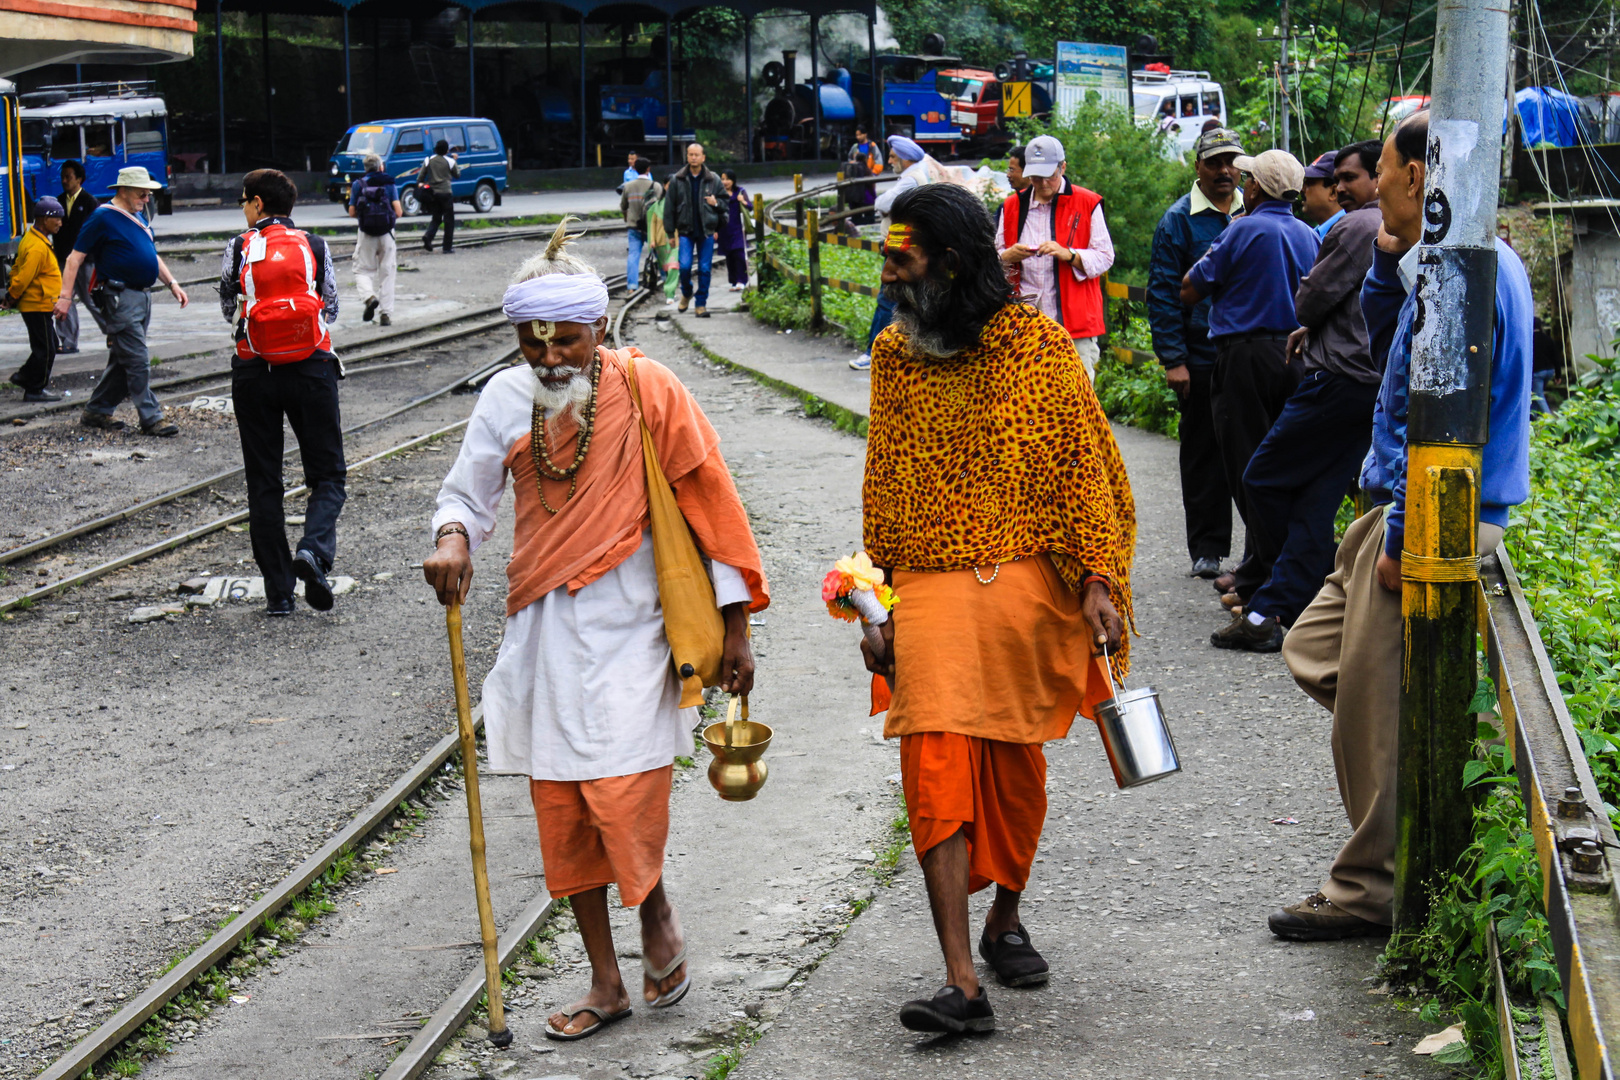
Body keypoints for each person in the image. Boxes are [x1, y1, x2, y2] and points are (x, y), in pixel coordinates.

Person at [421, 222, 769, 1040]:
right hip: (542, 634)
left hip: (640, 633)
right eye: (532, 344)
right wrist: (451, 539)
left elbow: (709, 508)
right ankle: (607, 981)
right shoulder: (504, 400)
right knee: (564, 811)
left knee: (622, 795)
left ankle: (653, 911)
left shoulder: (652, 391)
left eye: (566, 343)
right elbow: (466, 496)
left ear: (599, 331)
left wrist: (737, 630)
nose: (550, 360)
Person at [858, 183, 1133, 1035]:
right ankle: (959, 982)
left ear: (951, 262)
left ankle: (1004, 917)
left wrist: (1098, 578)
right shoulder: (893, 357)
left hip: (1026, 582)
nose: (890, 278)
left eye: (903, 262)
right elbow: (884, 486)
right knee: (934, 764)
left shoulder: (1039, 349)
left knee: (1016, 775)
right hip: (931, 587)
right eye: (887, 261)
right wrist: (876, 604)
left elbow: (1085, 470)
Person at [1270, 111, 1533, 940]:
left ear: (1420, 177)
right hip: (1393, 511)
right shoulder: (1440, 263)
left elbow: (1452, 420)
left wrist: (1407, 534)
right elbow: (1393, 360)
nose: (1371, 183)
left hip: (1429, 517)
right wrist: (1388, 264)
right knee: (1314, 653)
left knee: (1376, 712)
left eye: (1382, 169)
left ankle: (1371, 886)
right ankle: (1439, 767)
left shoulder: (1468, 275)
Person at [1213, 142, 1385, 651]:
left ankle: (1283, 583)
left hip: (1334, 379)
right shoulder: (1390, 228)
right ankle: (1270, 612)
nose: (1339, 188)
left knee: (1262, 478)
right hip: (1370, 384)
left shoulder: (1355, 227)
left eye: (1350, 178)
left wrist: (1309, 320)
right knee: (1316, 497)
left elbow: (1309, 297)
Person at [1180, 148, 1318, 609]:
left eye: (1249, 180)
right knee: (1287, 465)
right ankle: (1270, 565)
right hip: (1297, 355)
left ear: (1257, 187)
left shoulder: (1242, 229)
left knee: (1248, 467)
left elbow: (1190, 288)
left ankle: (1263, 575)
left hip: (1246, 356)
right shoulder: (1309, 235)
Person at [219, 169, 345, 618]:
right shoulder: (315, 245)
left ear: (256, 203)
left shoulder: (238, 247)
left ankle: (279, 595)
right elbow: (329, 304)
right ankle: (313, 551)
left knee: (264, 482)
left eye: (243, 201)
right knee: (328, 475)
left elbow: (227, 305)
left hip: (254, 372)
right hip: (311, 368)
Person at [1148, 127, 1245, 580]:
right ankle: (1207, 548)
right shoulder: (1179, 220)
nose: (1225, 171)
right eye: (1215, 163)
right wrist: (1174, 359)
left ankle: (1260, 549)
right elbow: (1163, 294)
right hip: (1201, 355)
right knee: (1203, 453)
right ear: (1198, 168)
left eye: (1232, 162)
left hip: (1249, 355)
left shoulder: (1256, 207)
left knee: (1252, 451)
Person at [54, 165, 188, 436]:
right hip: (119, 297)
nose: (147, 199)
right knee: (138, 359)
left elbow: (151, 254)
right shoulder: (102, 216)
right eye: (142, 193)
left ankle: (97, 410)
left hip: (142, 296)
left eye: (148, 194)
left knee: (123, 359)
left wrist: (172, 283)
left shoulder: (139, 217)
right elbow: (74, 258)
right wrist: (65, 297)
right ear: (125, 190)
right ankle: (151, 417)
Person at [994, 134, 1115, 381]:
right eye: (1036, 176)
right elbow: (991, 258)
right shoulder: (1011, 206)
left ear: (1063, 167)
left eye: (1049, 175)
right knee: (1024, 400)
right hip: (1022, 324)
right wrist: (1007, 255)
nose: (1042, 183)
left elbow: (1105, 257)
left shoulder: (1087, 202)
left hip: (1074, 324)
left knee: (1075, 399)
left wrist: (1069, 254)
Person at [851, 134, 933, 371]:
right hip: (907, 246)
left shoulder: (910, 181)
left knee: (887, 298)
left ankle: (873, 352)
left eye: (893, 157)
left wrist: (881, 204)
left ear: (906, 159)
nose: (889, 161)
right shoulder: (913, 176)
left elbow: (883, 203)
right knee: (906, 298)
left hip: (901, 248)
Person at [7, 197, 65, 402]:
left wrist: (12, 292)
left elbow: (16, 268)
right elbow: (23, 276)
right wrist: (11, 296)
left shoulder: (32, 239)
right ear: (43, 219)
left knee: (49, 344)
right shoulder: (37, 247)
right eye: (56, 218)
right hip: (36, 303)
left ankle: (25, 377)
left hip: (40, 303)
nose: (60, 222)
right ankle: (34, 388)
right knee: (46, 349)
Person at [663, 143, 723, 317]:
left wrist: (716, 205)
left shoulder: (713, 179)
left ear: (703, 157)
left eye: (697, 154)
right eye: (691, 154)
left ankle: (701, 303)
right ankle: (687, 292)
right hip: (685, 232)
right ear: (687, 157)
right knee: (684, 267)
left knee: (705, 268)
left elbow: (725, 204)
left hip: (706, 232)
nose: (694, 157)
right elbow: (669, 208)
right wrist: (670, 233)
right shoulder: (677, 179)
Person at [52, 160, 101, 354]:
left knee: (91, 299)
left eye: (68, 177)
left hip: (84, 260)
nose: (64, 181)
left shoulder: (90, 202)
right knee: (63, 299)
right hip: (64, 259)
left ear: (79, 179)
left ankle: (114, 334)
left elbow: (97, 232)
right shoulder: (58, 202)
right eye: (63, 177)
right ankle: (67, 341)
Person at [349, 153, 401, 327]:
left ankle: (369, 297)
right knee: (387, 273)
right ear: (381, 167)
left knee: (362, 270)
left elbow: (352, 212)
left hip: (366, 234)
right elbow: (399, 212)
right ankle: (385, 314)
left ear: (365, 168)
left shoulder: (358, 184)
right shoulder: (389, 183)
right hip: (387, 234)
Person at [619, 157, 662, 291]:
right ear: (648, 169)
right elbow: (661, 207)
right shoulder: (656, 186)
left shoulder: (628, 186)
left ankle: (632, 286)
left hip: (633, 226)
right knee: (659, 254)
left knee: (633, 255)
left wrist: (627, 219)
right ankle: (665, 281)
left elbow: (623, 206)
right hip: (652, 228)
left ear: (635, 169)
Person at [421, 139, 460, 255]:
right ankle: (447, 247)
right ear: (447, 150)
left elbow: (421, 176)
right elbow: (457, 175)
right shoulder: (450, 161)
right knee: (449, 221)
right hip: (446, 193)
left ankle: (428, 236)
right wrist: (454, 161)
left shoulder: (428, 160)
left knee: (436, 217)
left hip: (433, 193)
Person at [718, 169, 750, 292]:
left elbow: (750, 207)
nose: (725, 182)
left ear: (733, 180)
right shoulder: (719, 193)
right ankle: (733, 281)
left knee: (739, 254)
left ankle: (742, 280)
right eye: (723, 179)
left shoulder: (740, 191)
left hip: (738, 228)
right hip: (724, 229)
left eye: (727, 179)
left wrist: (743, 201)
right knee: (729, 256)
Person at [1332, 140, 1382, 215]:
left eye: (1349, 178)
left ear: (1379, 178)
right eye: (1337, 181)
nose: (1339, 189)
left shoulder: (1356, 223)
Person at [1300, 152, 1344, 238]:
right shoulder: (1318, 234)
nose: (1302, 189)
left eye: (1309, 183)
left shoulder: (1346, 234)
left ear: (1333, 192)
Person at [846, 123, 884, 219]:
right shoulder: (855, 147)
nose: (858, 137)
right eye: (857, 135)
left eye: (860, 134)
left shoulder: (872, 146)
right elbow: (849, 160)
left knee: (868, 200)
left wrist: (873, 175)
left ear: (865, 134)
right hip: (857, 179)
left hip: (868, 178)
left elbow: (879, 161)